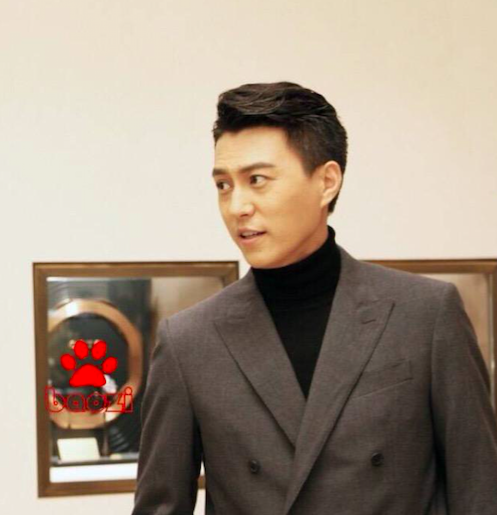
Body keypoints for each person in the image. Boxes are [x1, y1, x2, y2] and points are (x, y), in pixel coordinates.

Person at [132, 82, 497, 514]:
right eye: (223, 185)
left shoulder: (425, 314)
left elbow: (480, 489)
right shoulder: (188, 342)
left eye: (257, 180)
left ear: (326, 182)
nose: (237, 206)